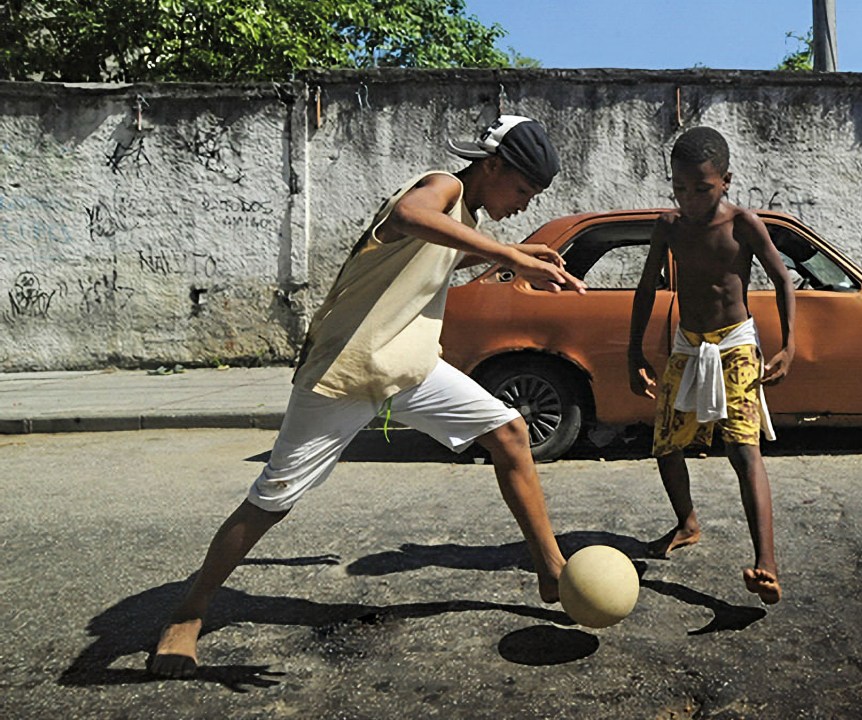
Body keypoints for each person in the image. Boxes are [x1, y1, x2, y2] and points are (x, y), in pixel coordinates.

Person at [149, 115, 587, 678]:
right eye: (523, 190)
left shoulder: (464, 217)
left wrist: (520, 255)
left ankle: (551, 570)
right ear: (494, 166)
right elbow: (410, 216)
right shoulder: (443, 187)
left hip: (409, 367)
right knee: (272, 499)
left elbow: (437, 253)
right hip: (348, 368)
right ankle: (188, 612)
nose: (524, 205)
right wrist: (509, 255)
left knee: (509, 432)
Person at [627, 126, 795, 605]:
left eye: (701, 189)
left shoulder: (743, 223)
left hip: (736, 343)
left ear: (725, 181)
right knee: (665, 443)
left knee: (743, 451)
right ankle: (687, 523)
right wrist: (633, 351)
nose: (690, 199)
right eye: (680, 189)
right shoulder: (669, 226)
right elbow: (645, 289)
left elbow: (782, 280)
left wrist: (788, 346)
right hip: (688, 342)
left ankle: (767, 563)